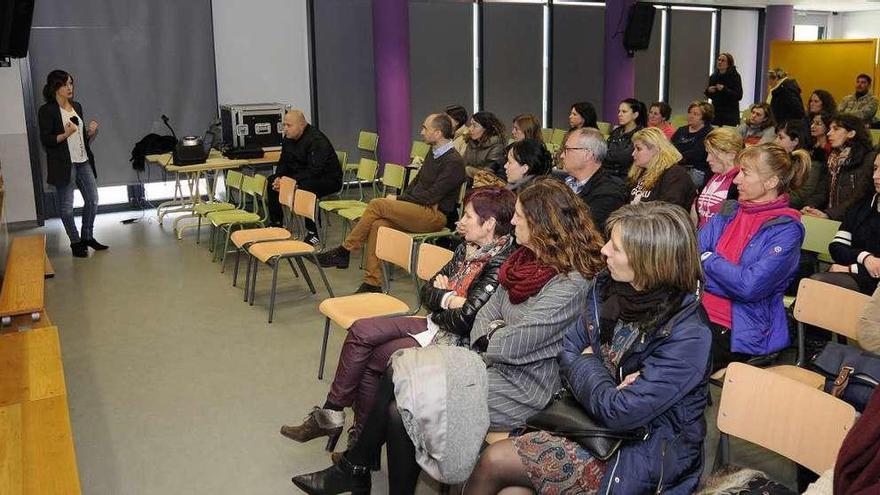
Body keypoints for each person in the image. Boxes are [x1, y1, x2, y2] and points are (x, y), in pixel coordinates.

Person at [291, 178, 605, 495]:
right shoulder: (521, 259)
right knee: (397, 378)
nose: (512, 221)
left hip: (523, 386)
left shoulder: (571, 282)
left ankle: (353, 468)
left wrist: (495, 330)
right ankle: (355, 468)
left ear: (542, 225)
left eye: (520, 217)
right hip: (480, 362)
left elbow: (514, 344)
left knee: (401, 401)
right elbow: (483, 317)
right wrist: (495, 329)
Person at [466, 201, 711, 495]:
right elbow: (569, 349)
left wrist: (588, 363)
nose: (604, 250)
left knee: (494, 460)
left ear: (649, 260)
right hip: (585, 421)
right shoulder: (607, 288)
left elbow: (620, 412)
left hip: (637, 450)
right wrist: (606, 382)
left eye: (616, 247)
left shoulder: (689, 334)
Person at [280, 187, 516, 451]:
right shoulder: (467, 248)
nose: (460, 222)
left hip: (455, 344)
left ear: (490, 224)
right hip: (435, 323)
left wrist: (443, 295)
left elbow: (466, 321)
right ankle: (335, 418)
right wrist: (449, 298)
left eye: (469, 217)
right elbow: (427, 290)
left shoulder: (501, 262)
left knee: (374, 358)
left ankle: (355, 440)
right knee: (360, 331)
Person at [317, 114, 466, 293]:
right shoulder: (433, 153)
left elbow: (431, 196)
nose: (421, 132)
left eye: (425, 128)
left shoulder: (454, 162)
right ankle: (373, 282)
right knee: (378, 225)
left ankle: (345, 250)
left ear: (438, 133)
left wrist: (399, 199)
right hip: (418, 209)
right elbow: (416, 183)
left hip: (434, 216)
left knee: (377, 204)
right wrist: (404, 198)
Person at [700, 143, 809, 371]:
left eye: (745, 173)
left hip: (739, 327)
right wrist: (730, 279)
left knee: (674, 366)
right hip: (696, 310)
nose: (736, 179)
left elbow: (749, 286)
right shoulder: (729, 209)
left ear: (771, 182)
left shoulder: (786, 229)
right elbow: (689, 257)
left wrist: (708, 260)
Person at [37, 70, 105, 258]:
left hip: (83, 161)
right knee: (67, 208)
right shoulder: (47, 110)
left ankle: (87, 236)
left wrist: (89, 132)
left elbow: (80, 137)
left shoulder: (77, 106)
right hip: (63, 165)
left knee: (92, 200)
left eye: (71, 83)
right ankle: (75, 242)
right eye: (65, 84)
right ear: (55, 87)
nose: (70, 87)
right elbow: (47, 140)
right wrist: (66, 134)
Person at [268, 110, 341, 241]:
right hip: (301, 175)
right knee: (271, 181)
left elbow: (315, 171)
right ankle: (276, 224)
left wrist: (291, 182)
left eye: (289, 125)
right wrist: (279, 177)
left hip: (327, 179)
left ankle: (314, 232)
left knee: (306, 188)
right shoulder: (288, 139)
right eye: (284, 125)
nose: (285, 129)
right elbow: (283, 161)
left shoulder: (316, 140)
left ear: (302, 125)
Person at [816, 155, 880, 295]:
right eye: (875, 169)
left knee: (821, 286)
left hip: (872, 286)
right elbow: (836, 248)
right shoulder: (862, 206)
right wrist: (865, 257)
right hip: (853, 278)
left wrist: (850, 268)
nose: (875, 176)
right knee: (817, 286)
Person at [803, 114, 877, 221]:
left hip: (856, 221)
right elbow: (822, 191)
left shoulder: (869, 159)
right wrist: (809, 206)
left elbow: (859, 197)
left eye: (836, 129)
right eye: (829, 129)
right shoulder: (833, 158)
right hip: (833, 216)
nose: (829, 133)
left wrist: (829, 214)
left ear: (851, 133)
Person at [559, 127, 628, 231]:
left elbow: (583, 233)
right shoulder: (565, 182)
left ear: (587, 154)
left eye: (567, 150)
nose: (562, 155)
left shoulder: (609, 193)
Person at [629, 127, 697, 210]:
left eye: (638, 149)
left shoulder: (675, 174)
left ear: (655, 150)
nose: (633, 154)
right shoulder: (640, 172)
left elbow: (668, 211)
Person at [695, 127, 744, 227]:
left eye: (712, 153)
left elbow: (733, 222)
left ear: (731, 154)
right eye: (707, 153)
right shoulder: (710, 174)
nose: (708, 159)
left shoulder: (740, 182)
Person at [776, 119, 823, 211]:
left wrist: (771, 200)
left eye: (781, 137)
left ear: (795, 141)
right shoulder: (784, 158)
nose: (776, 141)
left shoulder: (811, 164)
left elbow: (800, 197)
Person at [671, 100, 715, 188]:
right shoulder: (681, 130)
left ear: (704, 118)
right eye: (690, 113)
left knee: (676, 185)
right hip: (677, 165)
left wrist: (675, 157)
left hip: (696, 169)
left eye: (695, 114)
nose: (690, 116)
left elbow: (696, 155)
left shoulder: (709, 134)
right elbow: (670, 147)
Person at [605, 98, 647, 179]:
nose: (619, 114)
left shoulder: (640, 134)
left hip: (626, 177)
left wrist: (606, 154)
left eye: (624, 112)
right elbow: (603, 151)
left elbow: (624, 158)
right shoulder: (616, 132)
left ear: (635, 115)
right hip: (607, 174)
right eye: (619, 111)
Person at [463, 111, 507, 178]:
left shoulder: (497, 146)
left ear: (486, 129)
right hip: (471, 183)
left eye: (475, 126)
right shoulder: (471, 143)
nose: (470, 128)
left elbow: (487, 174)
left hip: (490, 186)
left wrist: (468, 170)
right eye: (471, 125)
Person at [705, 52, 744, 126]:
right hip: (716, 113)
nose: (720, 62)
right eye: (719, 60)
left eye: (723, 61)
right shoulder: (714, 76)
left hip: (730, 114)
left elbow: (739, 96)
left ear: (728, 64)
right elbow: (711, 95)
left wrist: (724, 89)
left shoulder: (735, 76)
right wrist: (708, 91)